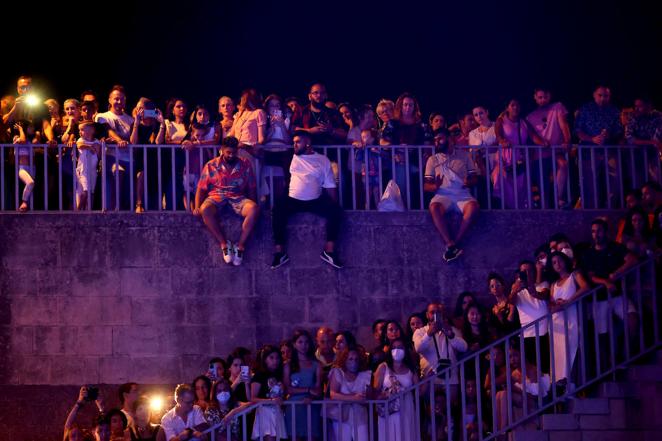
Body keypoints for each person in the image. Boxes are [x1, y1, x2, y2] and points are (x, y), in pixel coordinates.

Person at [271, 131, 343, 269]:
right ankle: (280, 253)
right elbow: (266, 156)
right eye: (293, 142)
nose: (294, 145)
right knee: (278, 208)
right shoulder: (290, 157)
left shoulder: (322, 160)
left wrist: (334, 204)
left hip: (315, 200)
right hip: (293, 200)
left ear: (308, 143)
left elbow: (330, 185)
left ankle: (329, 251)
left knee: (336, 211)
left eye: (298, 142)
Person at [579, 218, 638, 370]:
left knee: (632, 320)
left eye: (598, 230)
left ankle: (625, 356)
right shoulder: (589, 254)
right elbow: (590, 276)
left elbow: (632, 259)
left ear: (605, 232)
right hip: (598, 299)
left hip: (617, 294)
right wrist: (605, 282)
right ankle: (610, 365)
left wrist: (615, 274)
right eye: (593, 231)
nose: (596, 234)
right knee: (603, 335)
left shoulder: (615, 248)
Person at [194, 136, 259, 266]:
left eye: (234, 152)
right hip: (216, 196)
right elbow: (201, 188)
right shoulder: (211, 165)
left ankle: (240, 246)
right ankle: (224, 244)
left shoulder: (245, 164)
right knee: (204, 210)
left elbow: (251, 187)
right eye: (228, 152)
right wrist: (197, 207)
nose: (231, 155)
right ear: (222, 150)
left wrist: (254, 205)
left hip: (238, 197)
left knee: (254, 209)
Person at [424, 128, 479, 262]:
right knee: (434, 207)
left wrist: (468, 182)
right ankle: (450, 243)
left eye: (440, 139)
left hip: (462, 194)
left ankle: (455, 243)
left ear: (449, 139)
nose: (437, 142)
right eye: (435, 140)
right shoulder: (432, 159)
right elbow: (426, 186)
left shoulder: (465, 156)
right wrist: (435, 186)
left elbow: (475, 178)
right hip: (443, 194)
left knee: (473, 207)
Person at [574, 86, 623, 208]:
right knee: (589, 180)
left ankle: (611, 206)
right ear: (594, 95)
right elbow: (577, 130)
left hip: (609, 150)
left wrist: (609, 134)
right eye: (600, 95)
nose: (603, 98)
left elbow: (619, 129)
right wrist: (592, 139)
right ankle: (590, 207)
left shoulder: (614, 110)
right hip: (589, 151)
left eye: (605, 96)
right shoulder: (585, 109)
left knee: (615, 178)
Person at [494, 99, 548, 209]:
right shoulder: (501, 120)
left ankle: (519, 211)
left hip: (520, 157)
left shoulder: (523, 122)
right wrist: (503, 141)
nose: (515, 107)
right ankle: (504, 210)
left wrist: (543, 142)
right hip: (506, 156)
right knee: (503, 180)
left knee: (521, 185)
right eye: (512, 105)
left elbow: (533, 136)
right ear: (507, 108)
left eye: (517, 105)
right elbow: (498, 135)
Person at [526, 88, 572, 208]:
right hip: (539, 153)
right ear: (535, 98)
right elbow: (532, 135)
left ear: (549, 96)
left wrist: (567, 140)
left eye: (545, 97)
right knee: (543, 184)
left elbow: (564, 124)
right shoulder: (530, 117)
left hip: (555, 149)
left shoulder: (557, 107)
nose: (543, 100)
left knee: (563, 164)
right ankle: (546, 208)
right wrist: (540, 142)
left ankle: (558, 198)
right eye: (540, 97)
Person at [549, 251, 589, 386]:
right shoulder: (553, 284)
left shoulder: (574, 275)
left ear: (565, 260)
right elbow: (550, 304)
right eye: (554, 262)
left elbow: (585, 287)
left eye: (559, 260)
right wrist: (556, 305)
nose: (557, 264)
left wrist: (568, 301)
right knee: (558, 354)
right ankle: (560, 386)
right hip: (556, 322)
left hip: (571, 317)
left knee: (570, 349)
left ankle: (571, 383)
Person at [495, 345, 551, 436]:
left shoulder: (532, 370)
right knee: (500, 394)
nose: (513, 359)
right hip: (523, 402)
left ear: (523, 354)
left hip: (536, 404)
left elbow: (537, 397)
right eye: (510, 357)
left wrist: (516, 389)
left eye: (515, 355)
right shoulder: (514, 373)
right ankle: (500, 430)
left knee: (505, 393)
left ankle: (502, 432)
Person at [507, 260, 550, 372]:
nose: (527, 273)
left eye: (529, 270)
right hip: (527, 334)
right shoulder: (516, 288)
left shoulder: (542, 284)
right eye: (523, 271)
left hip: (544, 331)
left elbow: (543, 295)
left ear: (534, 271)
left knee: (546, 366)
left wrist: (531, 288)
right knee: (533, 367)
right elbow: (511, 302)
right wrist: (515, 290)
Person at [413, 303, 468, 388]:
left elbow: (464, 348)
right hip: (429, 381)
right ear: (427, 315)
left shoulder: (452, 330)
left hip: (451, 380)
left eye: (439, 312)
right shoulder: (420, 332)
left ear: (443, 314)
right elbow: (418, 348)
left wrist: (451, 336)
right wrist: (429, 334)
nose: (435, 315)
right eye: (432, 312)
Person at [373, 338, 418, 441]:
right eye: (393, 348)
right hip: (388, 408)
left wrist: (429, 377)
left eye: (400, 347)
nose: (396, 350)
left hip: (406, 407)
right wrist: (385, 395)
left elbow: (418, 391)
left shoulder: (411, 368)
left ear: (405, 350)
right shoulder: (383, 367)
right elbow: (375, 391)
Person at [284, 330, 322, 440]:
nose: (304, 345)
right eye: (300, 342)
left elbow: (319, 389)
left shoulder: (316, 365)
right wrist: (308, 390)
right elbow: (288, 389)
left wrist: (311, 395)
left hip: (311, 404)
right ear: (294, 344)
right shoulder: (288, 365)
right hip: (294, 407)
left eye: (306, 342)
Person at [328, 346, 373, 441]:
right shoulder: (338, 373)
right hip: (341, 417)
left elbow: (368, 398)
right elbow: (333, 394)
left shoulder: (365, 375)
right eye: (350, 359)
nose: (354, 362)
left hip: (360, 417)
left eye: (356, 359)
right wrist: (354, 398)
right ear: (344, 360)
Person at [250, 345, 287, 441]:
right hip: (265, 412)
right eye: (271, 358)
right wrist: (271, 401)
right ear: (265, 359)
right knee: (269, 437)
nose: (275, 361)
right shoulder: (259, 375)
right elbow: (253, 398)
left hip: (278, 412)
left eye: (277, 358)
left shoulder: (279, 375)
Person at [75, 121, 101, 210]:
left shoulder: (97, 142)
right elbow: (79, 145)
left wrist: (97, 147)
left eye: (82, 130)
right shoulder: (81, 140)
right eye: (79, 130)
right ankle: (78, 211)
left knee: (91, 191)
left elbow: (98, 153)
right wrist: (90, 147)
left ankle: (88, 209)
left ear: (91, 131)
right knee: (85, 191)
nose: (80, 132)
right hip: (83, 170)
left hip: (93, 171)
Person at [487, 272, 519, 338]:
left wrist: (499, 315)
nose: (495, 288)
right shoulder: (492, 309)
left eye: (498, 285)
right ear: (490, 290)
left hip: (514, 338)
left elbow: (510, 327)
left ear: (503, 286)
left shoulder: (511, 303)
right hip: (501, 340)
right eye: (492, 286)